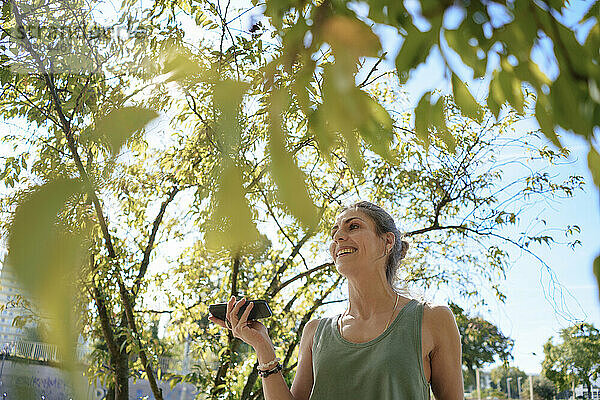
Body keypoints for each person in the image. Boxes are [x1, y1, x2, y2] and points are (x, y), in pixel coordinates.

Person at [209, 201, 464, 399]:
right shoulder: (315, 332)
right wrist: (263, 347)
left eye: (353, 226)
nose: (338, 237)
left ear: (387, 242)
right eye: (335, 232)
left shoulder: (433, 319)